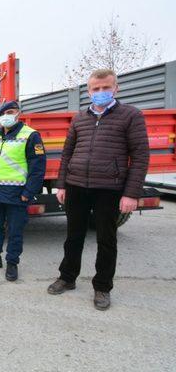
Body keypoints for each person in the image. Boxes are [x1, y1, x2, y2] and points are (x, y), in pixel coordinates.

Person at [48, 69, 149, 310]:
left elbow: (141, 156)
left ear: (116, 88)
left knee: (106, 240)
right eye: (96, 89)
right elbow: (67, 153)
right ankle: (67, 277)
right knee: (73, 236)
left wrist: (131, 193)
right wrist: (62, 184)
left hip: (109, 189)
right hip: (77, 186)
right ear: (89, 91)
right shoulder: (79, 118)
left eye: (106, 88)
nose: (101, 92)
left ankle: (102, 287)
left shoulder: (130, 116)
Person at [0, 101, 46, 281]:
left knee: (15, 232)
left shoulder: (30, 135)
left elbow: (37, 168)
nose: (8, 116)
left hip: (16, 194)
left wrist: (28, 192)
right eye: (4, 113)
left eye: (12, 112)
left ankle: (12, 263)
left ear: (18, 114)